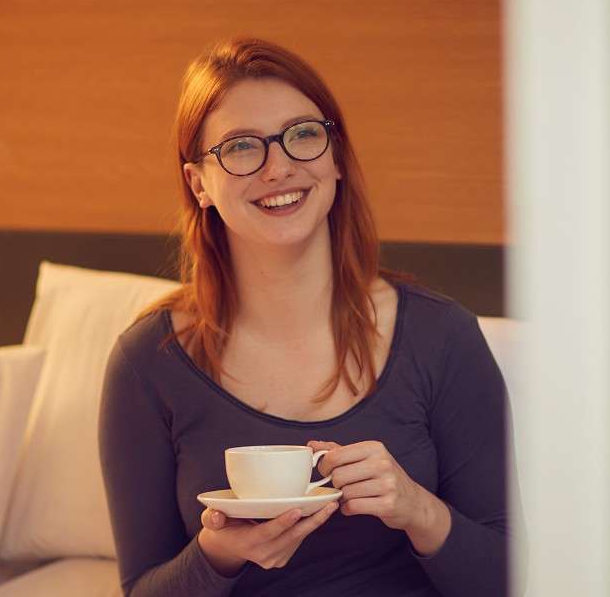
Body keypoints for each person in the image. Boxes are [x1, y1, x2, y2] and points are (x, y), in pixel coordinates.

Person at [99, 37, 513, 596]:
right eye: (242, 147)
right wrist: (216, 555)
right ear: (199, 183)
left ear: (335, 157)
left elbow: (508, 578)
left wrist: (419, 510)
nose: (279, 168)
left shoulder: (442, 337)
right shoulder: (148, 363)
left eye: (302, 136)